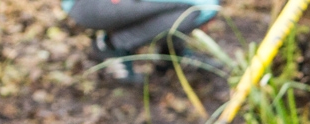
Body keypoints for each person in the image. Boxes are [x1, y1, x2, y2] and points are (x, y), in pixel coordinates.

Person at [64, 0, 220, 83]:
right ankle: (111, 45)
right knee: (204, 6)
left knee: (199, 5)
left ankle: (171, 53)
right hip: (89, 5)